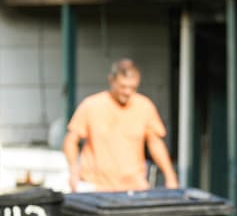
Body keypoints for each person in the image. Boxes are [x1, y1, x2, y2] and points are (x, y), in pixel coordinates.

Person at [63, 58, 179, 192]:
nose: (128, 92)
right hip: (95, 186)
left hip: (134, 187)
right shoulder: (91, 105)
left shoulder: (144, 107)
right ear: (111, 81)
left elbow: (155, 143)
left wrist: (170, 176)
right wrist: (73, 170)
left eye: (133, 88)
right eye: (123, 86)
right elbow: (71, 140)